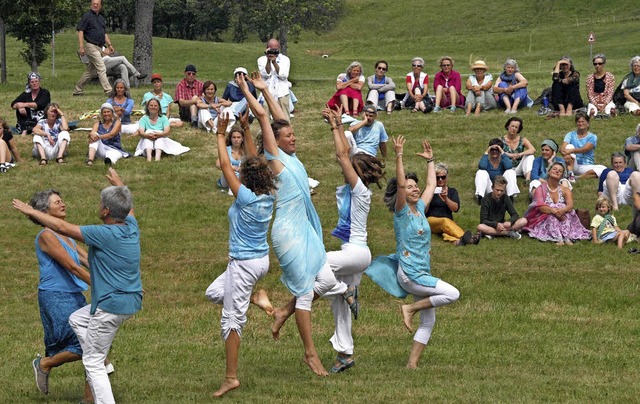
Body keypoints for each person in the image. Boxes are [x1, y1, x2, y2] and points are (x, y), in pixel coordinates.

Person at [13, 168, 142, 404]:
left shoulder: (102, 233)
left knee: (92, 361)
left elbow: (65, 232)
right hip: (117, 301)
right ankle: (87, 390)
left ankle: (96, 385)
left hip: (111, 302)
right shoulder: (131, 227)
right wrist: (120, 185)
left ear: (106, 211)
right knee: (79, 320)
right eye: (57, 202)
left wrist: (30, 211)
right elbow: (129, 209)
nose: (63, 203)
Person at [239, 72, 339, 376]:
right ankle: (311, 354)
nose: (293, 137)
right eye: (288, 136)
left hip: (305, 229)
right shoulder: (276, 160)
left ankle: (282, 311)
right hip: (288, 234)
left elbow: (279, 116)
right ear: (276, 143)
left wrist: (267, 90)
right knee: (307, 292)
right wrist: (247, 90)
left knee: (326, 280)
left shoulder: (291, 158)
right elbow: (264, 117)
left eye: (293, 134)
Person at [365, 136, 460, 369]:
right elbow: (399, 185)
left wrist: (431, 161)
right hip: (410, 274)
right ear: (402, 193)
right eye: (409, 187)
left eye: (414, 185)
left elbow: (430, 186)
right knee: (452, 294)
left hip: (421, 272)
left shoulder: (419, 208)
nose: (414, 188)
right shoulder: (401, 212)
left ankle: (412, 365)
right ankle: (409, 308)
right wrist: (398, 155)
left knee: (428, 322)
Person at [204, 112, 276, 397]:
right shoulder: (269, 196)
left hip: (245, 264)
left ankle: (231, 377)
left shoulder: (245, 197)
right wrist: (246, 128)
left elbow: (225, 164)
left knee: (231, 319)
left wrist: (220, 134)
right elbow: (255, 161)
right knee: (213, 292)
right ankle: (256, 297)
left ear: (246, 176)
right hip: (260, 262)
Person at [320, 106, 385, 373]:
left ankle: (344, 290)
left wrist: (335, 127)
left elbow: (340, 156)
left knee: (316, 262)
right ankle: (345, 354)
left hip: (357, 253)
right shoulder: (356, 190)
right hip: (354, 253)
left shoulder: (359, 190)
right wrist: (337, 126)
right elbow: (344, 153)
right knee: (340, 310)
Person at [23, 190, 93, 401]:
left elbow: (88, 260)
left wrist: (119, 281)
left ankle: (89, 398)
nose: (63, 204)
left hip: (74, 295)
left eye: (62, 200)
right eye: (57, 202)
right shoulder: (46, 236)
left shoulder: (66, 235)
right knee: (87, 345)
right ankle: (45, 363)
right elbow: (72, 266)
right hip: (56, 297)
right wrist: (102, 287)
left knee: (95, 344)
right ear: (45, 211)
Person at [524, 162, 591, 245]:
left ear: (562, 176)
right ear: (548, 171)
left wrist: (562, 210)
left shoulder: (565, 190)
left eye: (560, 171)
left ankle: (567, 237)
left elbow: (570, 205)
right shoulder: (540, 189)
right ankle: (559, 238)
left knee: (564, 210)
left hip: (563, 214)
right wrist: (554, 211)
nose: (557, 171)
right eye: (554, 169)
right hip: (546, 215)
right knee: (553, 216)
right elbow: (540, 207)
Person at [426, 163, 480, 246]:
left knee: (446, 232)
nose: (440, 179)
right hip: (431, 221)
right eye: (437, 177)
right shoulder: (429, 190)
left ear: (446, 178)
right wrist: (429, 196)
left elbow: (455, 209)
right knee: (444, 221)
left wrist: (446, 199)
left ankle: (459, 242)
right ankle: (467, 237)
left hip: (447, 222)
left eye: (443, 177)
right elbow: (422, 210)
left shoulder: (452, 191)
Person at [74, 0, 113, 96]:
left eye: (97, 4)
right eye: (93, 4)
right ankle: (109, 91)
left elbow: (104, 33)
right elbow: (80, 31)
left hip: (100, 47)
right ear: (91, 5)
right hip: (91, 46)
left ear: (100, 6)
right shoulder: (87, 16)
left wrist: (110, 45)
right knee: (101, 67)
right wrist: (81, 46)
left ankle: (78, 89)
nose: (95, 5)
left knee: (90, 72)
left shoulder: (101, 18)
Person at [559, 111, 606, 181]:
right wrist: (565, 153)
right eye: (578, 122)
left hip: (586, 165)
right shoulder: (570, 134)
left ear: (587, 123)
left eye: (583, 121)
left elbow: (585, 149)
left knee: (604, 169)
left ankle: (577, 177)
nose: (580, 123)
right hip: (572, 163)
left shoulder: (592, 137)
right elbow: (562, 148)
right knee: (569, 146)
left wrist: (571, 151)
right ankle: (570, 172)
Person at [475, 138, 519, 203]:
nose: (494, 151)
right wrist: (486, 153)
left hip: (502, 188)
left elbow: (509, 166)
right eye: (492, 149)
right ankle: (481, 198)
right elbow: (482, 166)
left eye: (497, 150)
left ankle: (510, 198)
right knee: (481, 172)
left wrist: (503, 153)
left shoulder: (503, 159)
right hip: (491, 188)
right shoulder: (486, 159)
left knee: (510, 172)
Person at [257, 38, 292, 122]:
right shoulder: (261, 60)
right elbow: (266, 74)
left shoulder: (285, 59)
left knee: (284, 117)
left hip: (282, 91)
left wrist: (275, 62)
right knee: (265, 116)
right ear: (267, 48)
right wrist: (269, 60)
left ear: (279, 49)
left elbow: (283, 75)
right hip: (267, 91)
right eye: (271, 49)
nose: (273, 52)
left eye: (275, 50)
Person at [215, 118, 247, 191]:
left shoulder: (245, 151)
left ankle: (234, 189)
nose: (236, 140)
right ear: (231, 138)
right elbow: (218, 164)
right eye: (234, 137)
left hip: (240, 176)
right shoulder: (226, 149)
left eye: (238, 137)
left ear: (242, 139)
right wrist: (233, 168)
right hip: (227, 176)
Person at [501, 117, 535, 182]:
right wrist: (509, 155)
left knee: (530, 156)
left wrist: (520, 154)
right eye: (512, 126)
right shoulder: (501, 140)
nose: (513, 129)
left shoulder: (523, 140)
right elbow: (496, 151)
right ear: (508, 126)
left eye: (516, 127)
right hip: (506, 168)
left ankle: (527, 178)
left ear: (518, 129)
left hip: (518, 167)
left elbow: (533, 150)